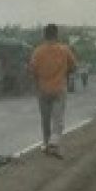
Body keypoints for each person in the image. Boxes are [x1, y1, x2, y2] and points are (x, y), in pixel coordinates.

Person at [29, 23, 78, 158]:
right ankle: (54, 144)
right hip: (59, 89)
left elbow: (32, 70)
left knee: (45, 119)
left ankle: (45, 144)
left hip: (43, 90)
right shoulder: (65, 50)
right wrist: (65, 72)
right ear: (57, 35)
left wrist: (37, 85)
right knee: (58, 119)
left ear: (44, 35)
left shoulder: (37, 51)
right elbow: (74, 66)